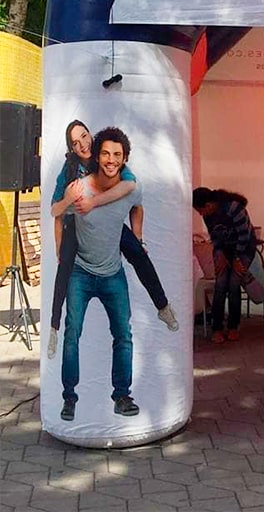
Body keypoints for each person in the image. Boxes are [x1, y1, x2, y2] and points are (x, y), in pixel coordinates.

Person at [48, 120, 177, 360]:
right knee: (63, 269)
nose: (82, 144)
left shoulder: (108, 157)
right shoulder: (69, 170)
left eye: (84, 136)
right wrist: (59, 246)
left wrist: (138, 237)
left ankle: (163, 306)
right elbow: (56, 211)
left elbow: (131, 190)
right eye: (75, 143)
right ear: (71, 148)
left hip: (109, 223)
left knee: (139, 254)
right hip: (78, 226)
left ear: (91, 135)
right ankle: (54, 328)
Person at [60, 127, 143, 421]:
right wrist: (60, 251)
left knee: (123, 335)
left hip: (112, 273)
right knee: (72, 333)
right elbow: (59, 215)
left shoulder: (130, 186)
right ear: (97, 156)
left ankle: (122, 396)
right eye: (106, 153)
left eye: (117, 155)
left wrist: (138, 237)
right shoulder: (79, 187)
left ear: (124, 159)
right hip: (80, 273)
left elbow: (137, 206)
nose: (111, 159)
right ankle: (69, 399)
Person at [192, 187, 258, 343]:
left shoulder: (234, 208)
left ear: (209, 204)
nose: (201, 214)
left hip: (243, 249)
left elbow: (244, 236)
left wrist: (236, 259)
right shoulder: (208, 215)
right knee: (220, 284)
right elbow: (214, 236)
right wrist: (220, 253)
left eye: (201, 210)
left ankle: (233, 326)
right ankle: (217, 328)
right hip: (223, 249)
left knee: (234, 283)